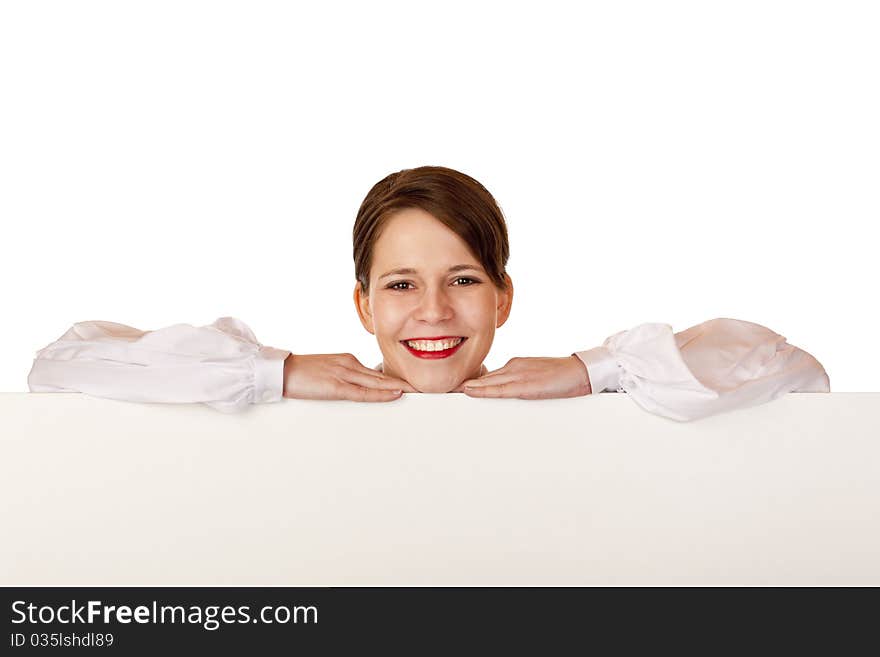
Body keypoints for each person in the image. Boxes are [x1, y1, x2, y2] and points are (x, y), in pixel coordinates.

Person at [27, 166, 830, 421]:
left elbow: (795, 369)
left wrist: (597, 370)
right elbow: (59, 367)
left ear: (503, 298)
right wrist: (270, 373)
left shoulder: (614, 393)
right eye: (402, 284)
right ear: (363, 305)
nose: (435, 312)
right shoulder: (272, 394)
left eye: (464, 281)